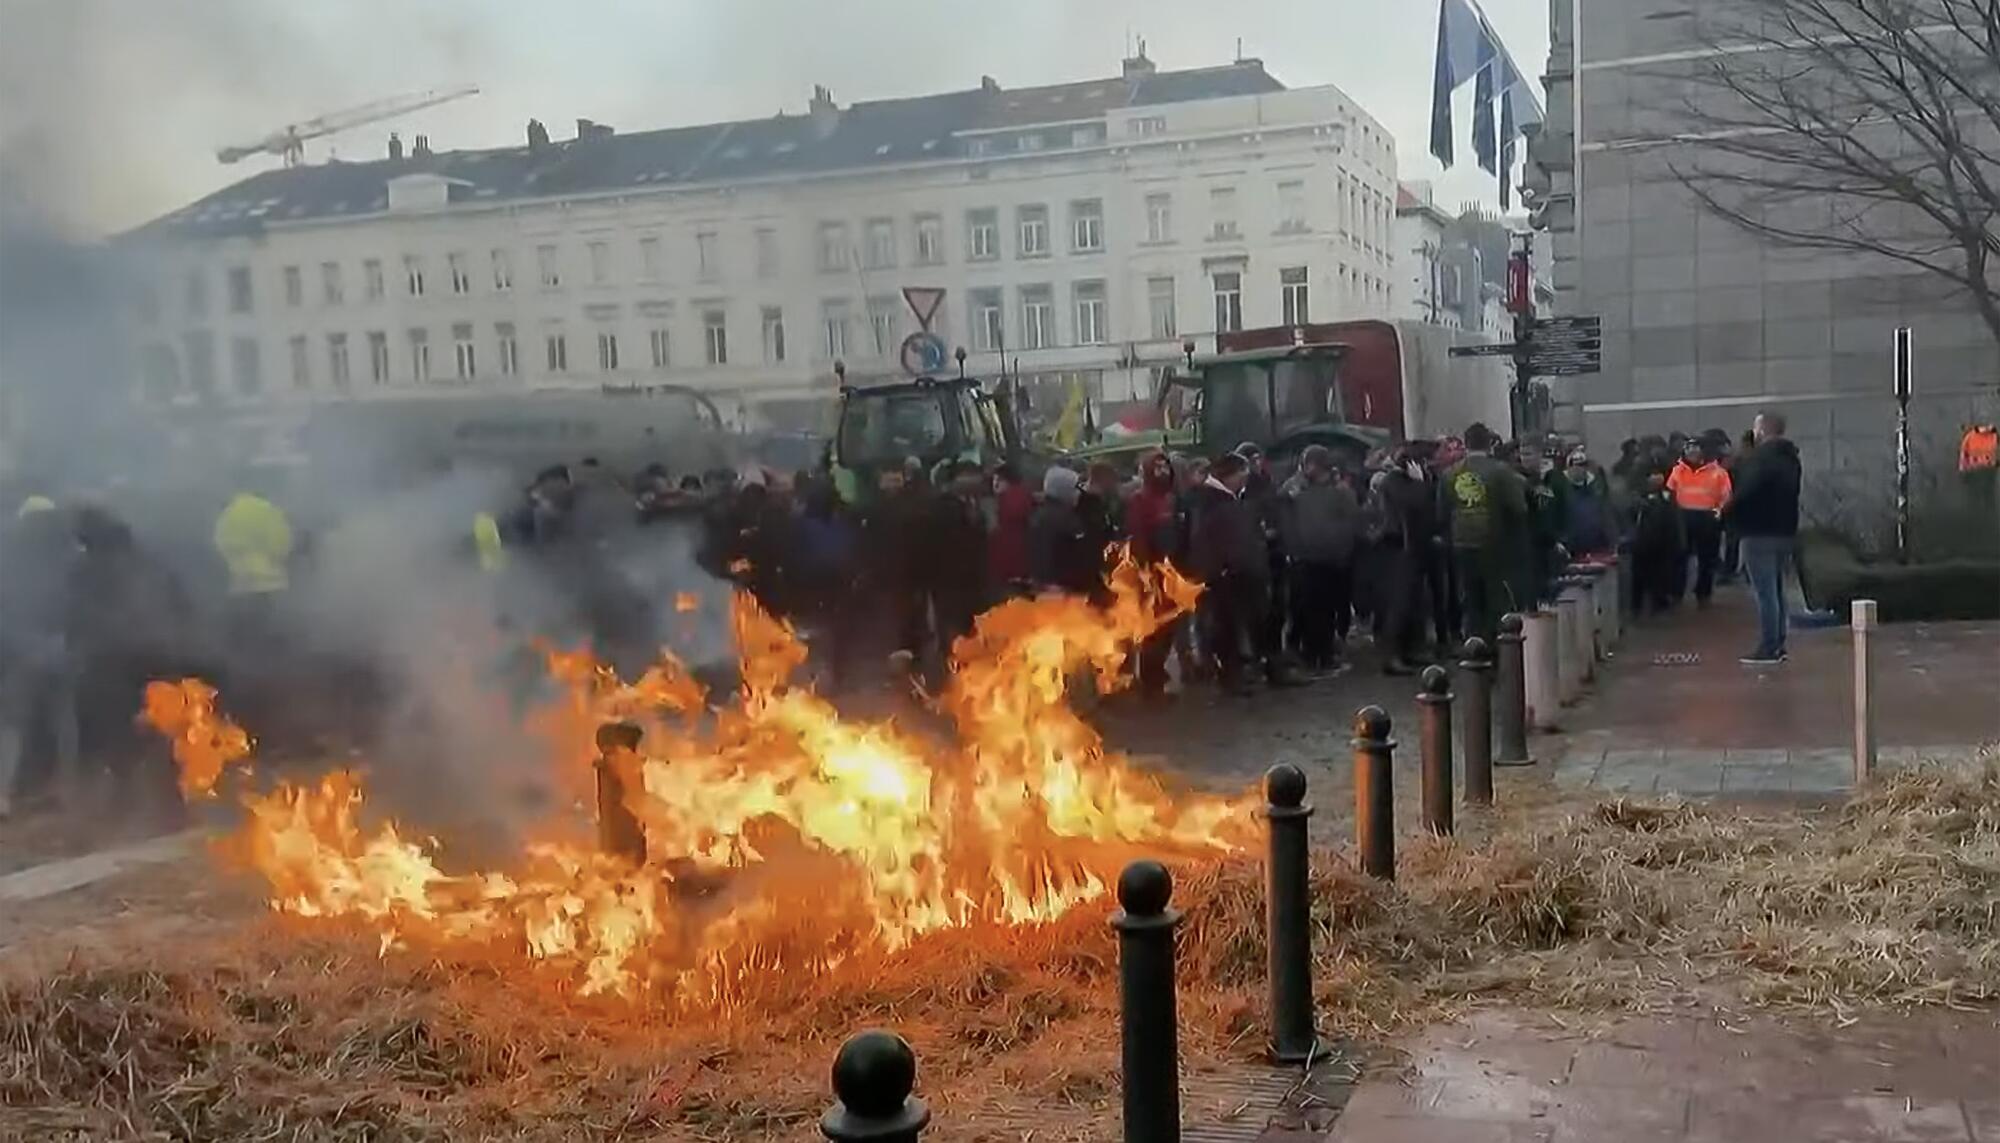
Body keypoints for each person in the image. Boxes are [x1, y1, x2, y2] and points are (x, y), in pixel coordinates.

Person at [1190, 453, 1298, 693]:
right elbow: (1205, 542)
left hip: (1246, 571)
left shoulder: (1230, 499)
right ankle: (1231, 677)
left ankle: (1264, 668)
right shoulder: (1209, 501)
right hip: (1226, 576)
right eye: (1242, 475)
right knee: (1226, 627)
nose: (1244, 481)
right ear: (1229, 475)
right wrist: (1221, 568)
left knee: (1259, 620)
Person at [0, 498, 79, 816]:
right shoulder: (70, 556)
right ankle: (69, 790)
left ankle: (3, 793)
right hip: (60, 649)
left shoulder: (11, 560)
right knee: (64, 720)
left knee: (12, 724)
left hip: (23, 651)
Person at [1440, 423, 1530, 643]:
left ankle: (1474, 645)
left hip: (1461, 544)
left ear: (1467, 443)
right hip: (1494, 544)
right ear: (1489, 444)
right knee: (1496, 599)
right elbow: (1519, 508)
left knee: (1470, 600)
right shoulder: (1500, 471)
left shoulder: (1449, 474)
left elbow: (1441, 512)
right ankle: (1497, 648)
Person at [1727, 411, 1802, 665]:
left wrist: (1726, 510)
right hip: (1784, 531)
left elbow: (1747, 492)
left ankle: (1769, 646)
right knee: (1777, 589)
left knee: (1765, 592)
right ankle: (1778, 642)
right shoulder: (1791, 458)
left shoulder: (1760, 459)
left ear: (1762, 430)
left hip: (1758, 531)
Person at [1280, 445, 1361, 674]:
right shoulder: (1293, 490)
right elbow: (1286, 520)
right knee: (1306, 610)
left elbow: (1351, 521)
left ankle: (1323, 655)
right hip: (1305, 559)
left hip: (1332, 560)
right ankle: (1310, 655)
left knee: (1325, 612)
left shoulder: (1339, 491)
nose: (1309, 468)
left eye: (1313, 464)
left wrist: (1343, 549)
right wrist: (1293, 549)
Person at [1126, 451, 1184, 697]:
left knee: (1170, 626)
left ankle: (1157, 673)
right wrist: (1145, 572)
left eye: (1165, 466)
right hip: (1153, 574)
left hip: (1174, 573)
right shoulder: (1140, 501)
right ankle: (1151, 681)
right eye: (1157, 467)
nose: (1162, 471)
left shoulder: (1172, 499)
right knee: (1154, 629)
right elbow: (1137, 538)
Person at [927, 460, 991, 659]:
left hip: (973, 578)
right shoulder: (942, 508)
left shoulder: (976, 504)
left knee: (970, 628)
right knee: (953, 631)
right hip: (949, 580)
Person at [1666, 437, 1732, 607]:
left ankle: (1703, 593)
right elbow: (1670, 492)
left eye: (1696, 448)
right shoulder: (1678, 470)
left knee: (1707, 559)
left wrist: (1717, 513)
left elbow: (1726, 496)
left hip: (1707, 518)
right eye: (1689, 448)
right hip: (1683, 517)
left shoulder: (1718, 472)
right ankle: (1676, 592)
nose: (1692, 452)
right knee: (1680, 557)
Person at [1029, 466, 1099, 596]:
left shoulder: (1039, 515)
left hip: (1044, 586)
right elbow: (1080, 554)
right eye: (1075, 488)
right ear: (1064, 490)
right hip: (1064, 589)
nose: (1078, 493)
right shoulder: (1066, 519)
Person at [1630, 471, 1685, 616]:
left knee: (1659, 574)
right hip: (1643, 541)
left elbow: (1674, 519)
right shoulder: (1639, 497)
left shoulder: (1668, 497)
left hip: (1662, 541)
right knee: (1641, 575)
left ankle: (1657, 601)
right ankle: (1638, 605)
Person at [988, 463, 1035, 597]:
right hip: (1025, 567)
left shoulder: (1003, 503)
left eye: (997, 480)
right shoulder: (1027, 499)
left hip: (1006, 569)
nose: (994, 484)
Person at [1559, 448, 1616, 556]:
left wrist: (1612, 541)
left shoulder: (1597, 486)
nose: (1579, 469)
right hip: (1571, 548)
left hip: (1598, 547)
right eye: (1576, 465)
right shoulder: (1560, 487)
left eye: (1583, 465)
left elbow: (1607, 515)